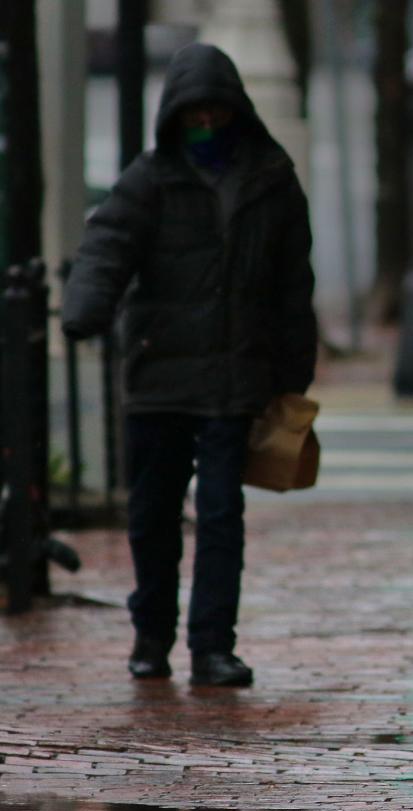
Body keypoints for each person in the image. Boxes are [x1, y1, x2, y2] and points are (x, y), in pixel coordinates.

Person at [62, 43, 318, 687]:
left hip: (234, 380)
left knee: (221, 515)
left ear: (236, 113)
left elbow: (293, 285)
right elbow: (107, 246)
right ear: (175, 120)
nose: (206, 128)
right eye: (194, 118)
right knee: (151, 514)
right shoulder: (149, 180)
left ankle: (211, 646)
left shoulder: (272, 179)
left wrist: (292, 376)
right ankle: (151, 634)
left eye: (216, 115)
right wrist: (84, 311)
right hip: (159, 379)